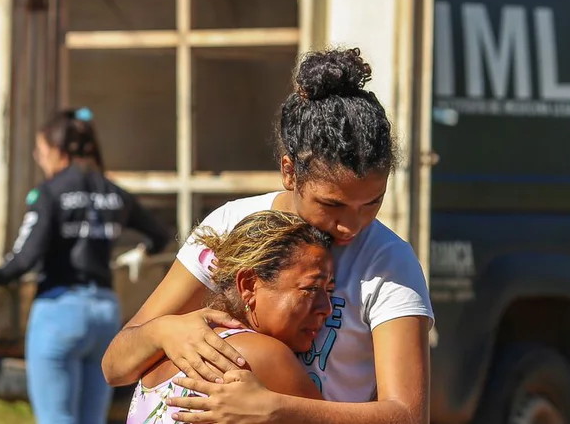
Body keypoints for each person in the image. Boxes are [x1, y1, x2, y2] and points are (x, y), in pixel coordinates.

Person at [101, 48, 434, 424]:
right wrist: (163, 331)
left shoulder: (389, 261)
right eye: (332, 205)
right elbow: (116, 366)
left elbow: (408, 416)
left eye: (373, 202)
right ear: (289, 172)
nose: (351, 226)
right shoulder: (231, 223)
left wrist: (275, 409)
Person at [0, 107, 173, 424]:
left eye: (41, 152)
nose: (39, 159)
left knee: (56, 418)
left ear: (58, 151)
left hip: (59, 313)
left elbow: (25, 257)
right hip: (104, 315)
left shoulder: (48, 193)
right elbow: (159, 235)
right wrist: (140, 253)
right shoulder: (113, 192)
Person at [128, 210, 335, 424]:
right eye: (310, 288)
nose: (326, 308)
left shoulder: (161, 354)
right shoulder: (259, 355)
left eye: (329, 291)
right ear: (248, 285)